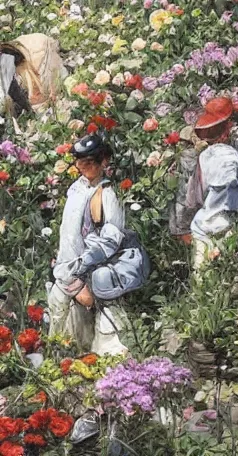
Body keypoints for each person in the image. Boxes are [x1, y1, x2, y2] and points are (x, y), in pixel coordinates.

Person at [48, 134, 148, 355]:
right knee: (60, 313)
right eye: (80, 162)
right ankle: (66, 358)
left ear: (103, 162)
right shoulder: (77, 188)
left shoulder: (107, 194)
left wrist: (82, 266)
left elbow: (110, 240)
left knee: (102, 325)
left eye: (89, 162)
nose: (83, 167)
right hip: (70, 266)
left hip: (90, 268)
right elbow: (69, 232)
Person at [189, 97, 238, 268]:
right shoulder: (227, 156)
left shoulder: (207, 154)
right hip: (223, 226)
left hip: (203, 224)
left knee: (203, 275)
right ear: (226, 126)